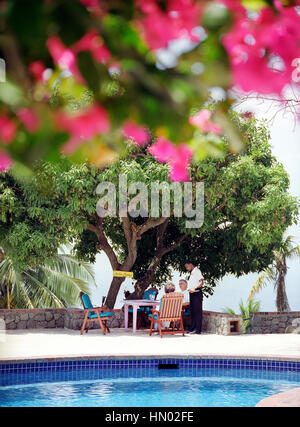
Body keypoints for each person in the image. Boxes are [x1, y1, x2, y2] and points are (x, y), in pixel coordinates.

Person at [184, 261, 204, 334]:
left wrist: (194, 288)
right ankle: (192, 328)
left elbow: (201, 282)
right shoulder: (192, 273)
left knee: (197, 312)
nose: (186, 268)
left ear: (191, 264)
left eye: (187, 267)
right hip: (192, 293)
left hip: (196, 293)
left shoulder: (197, 271)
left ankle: (197, 329)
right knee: (193, 312)